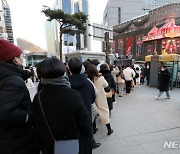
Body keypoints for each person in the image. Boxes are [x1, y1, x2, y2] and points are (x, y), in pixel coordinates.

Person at [33, 58, 92, 154]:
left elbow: (38, 126)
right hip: (77, 145)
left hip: (51, 146)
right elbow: (85, 123)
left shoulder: (38, 97)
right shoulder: (72, 95)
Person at [0, 40, 39, 154]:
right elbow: (5, 113)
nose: (23, 58)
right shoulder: (13, 80)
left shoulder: (6, 77)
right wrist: (30, 116)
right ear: (15, 59)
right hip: (17, 140)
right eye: (21, 56)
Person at [68, 58, 101, 150]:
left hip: (72, 119)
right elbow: (94, 95)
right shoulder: (87, 82)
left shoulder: (67, 84)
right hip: (86, 112)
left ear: (69, 69)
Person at [86, 64, 114, 135]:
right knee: (104, 112)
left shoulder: (87, 79)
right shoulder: (100, 78)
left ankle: (94, 129)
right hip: (101, 98)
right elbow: (107, 87)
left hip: (91, 99)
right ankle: (109, 129)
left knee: (93, 114)